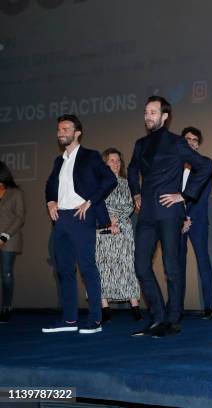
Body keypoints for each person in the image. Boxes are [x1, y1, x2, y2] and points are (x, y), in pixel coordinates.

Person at [128, 96, 212, 338]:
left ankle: (173, 320)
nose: (148, 116)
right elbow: (133, 168)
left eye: (153, 112)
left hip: (169, 213)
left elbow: (205, 165)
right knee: (141, 266)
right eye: (146, 112)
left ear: (165, 117)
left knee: (172, 268)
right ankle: (157, 317)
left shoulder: (176, 143)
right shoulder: (140, 144)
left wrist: (184, 196)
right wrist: (136, 193)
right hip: (146, 215)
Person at [43, 114, 117, 334]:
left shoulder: (90, 156)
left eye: (65, 129)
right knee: (64, 270)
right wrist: (50, 201)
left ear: (77, 133)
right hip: (61, 219)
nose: (61, 133)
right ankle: (69, 321)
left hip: (81, 216)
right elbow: (49, 185)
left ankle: (95, 320)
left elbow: (110, 180)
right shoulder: (59, 160)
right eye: (59, 129)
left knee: (87, 268)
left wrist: (91, 202)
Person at [96, 148, 142, 323]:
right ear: (105, 163)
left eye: (118, 160)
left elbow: (131, 205)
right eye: (112, 160)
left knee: (127, 266)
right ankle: (105, 308)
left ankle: (135, 307)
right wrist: (109, 219)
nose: (116, 163)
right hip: (104, 229)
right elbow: (96, 203)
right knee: (104, 267)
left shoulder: (127, 183)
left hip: (123, 229)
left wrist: (117, 218)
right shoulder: (98, 184)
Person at [179, 126, 212, 319]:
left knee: (203, 262)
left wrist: (189, 218)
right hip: (176, 222)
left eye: (194, 139)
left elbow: (202, 196)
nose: (191, 142)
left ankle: (209, 306)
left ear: (198, 144)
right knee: (177, 265)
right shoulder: (174, 167)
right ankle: (177, 307)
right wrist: (179, 218)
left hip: (197, 220)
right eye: (187, 139)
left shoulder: (204, 165)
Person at [0, 161, 25, 323]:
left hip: (9, 239)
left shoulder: (16, 192)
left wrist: (4, 236)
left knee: (6, 274)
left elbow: (20, 217)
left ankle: (6, 307)